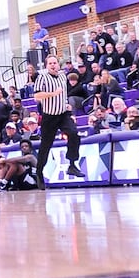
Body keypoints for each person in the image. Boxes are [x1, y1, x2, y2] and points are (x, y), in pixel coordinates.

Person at [34, 53, 85, 189]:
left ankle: (72, 164)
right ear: (46, 66)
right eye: (50, 63)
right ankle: (39, 172)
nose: (52, 65)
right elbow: (37, 96)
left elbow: (63, 94)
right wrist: (53, 94)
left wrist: (66, 104)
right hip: (49, 117)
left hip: (63, 114)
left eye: (54, 63)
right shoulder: (42, 77)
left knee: (74, 134)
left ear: (58, 64)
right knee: (45, 146)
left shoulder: (63, 76)